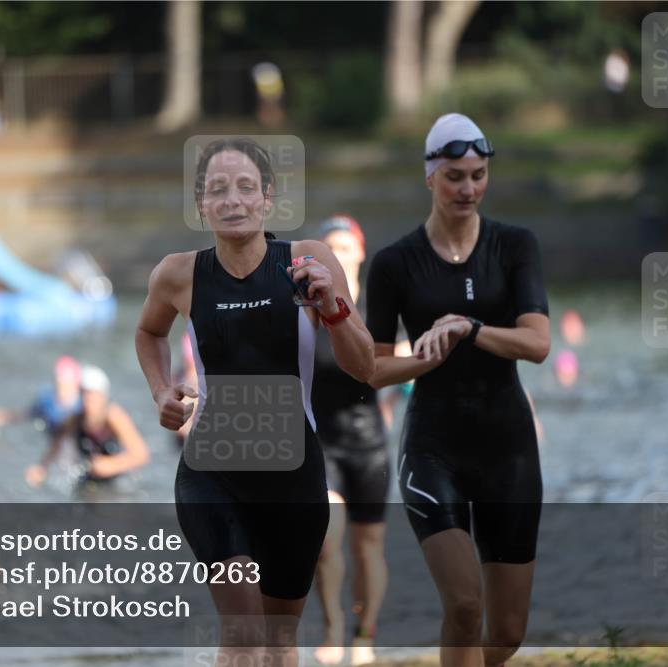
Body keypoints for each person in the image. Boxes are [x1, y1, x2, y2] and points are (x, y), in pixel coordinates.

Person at [135, 137, 374, 666]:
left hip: (294, 475)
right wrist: (160, 391)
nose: (232, 200)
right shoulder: (179, 273)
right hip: (212, 473)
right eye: (217, 190)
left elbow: (365, 367)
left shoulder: (308, 259)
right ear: (201, 204)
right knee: (242, 632)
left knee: (278, 642)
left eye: (246, 187)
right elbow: (148, 333)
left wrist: (332, 307)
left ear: (267, 199)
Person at [366, 114, 550, 667]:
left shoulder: (515, 246)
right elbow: (374, 370)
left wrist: (471, 329)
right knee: (465, 606)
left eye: (477, 175)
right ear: (429, 177)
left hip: (509, 447)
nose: (468, 188)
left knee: (508, 632)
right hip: (433, 448)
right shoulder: (394, 264)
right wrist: (425, 356)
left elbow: (538, 344)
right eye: (454, 176)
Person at [309, 215, 390, 666]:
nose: (337, 253)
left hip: (369, 443)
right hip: (322, 442)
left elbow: (398, 368)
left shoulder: (378, 309)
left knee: (367, 546)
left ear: (359, 252)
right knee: (325, 537)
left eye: (344, 246)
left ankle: (365, 634)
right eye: (328, 246)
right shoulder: (308, 309)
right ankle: (334, 627)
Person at [25, 364, 149, 491]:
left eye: (92, 395)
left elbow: (141, 454)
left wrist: (111, 465)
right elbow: (56, 446)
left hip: (119, 480)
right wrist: (41, 468)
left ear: (103, 396)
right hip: (90, 478)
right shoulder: (75, 418)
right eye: (84, 394)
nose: (88, 400)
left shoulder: (113, 416)